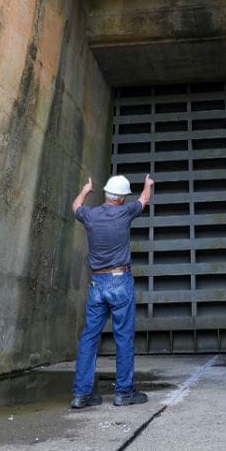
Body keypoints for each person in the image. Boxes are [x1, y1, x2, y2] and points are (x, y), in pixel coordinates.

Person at [69, 173, 154, 409]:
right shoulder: (125, 212)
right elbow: (144, 199)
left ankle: (81, 395)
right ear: (121, 199)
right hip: (120, 280)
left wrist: (86, 189)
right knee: (123, 338)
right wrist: (148, 185)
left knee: (88, 338)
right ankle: (124, 393)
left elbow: (76, 206)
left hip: (97, 284)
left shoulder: (91, 215)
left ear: (107, 194)